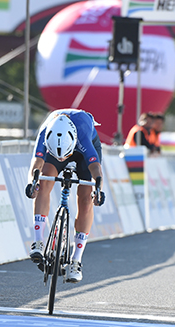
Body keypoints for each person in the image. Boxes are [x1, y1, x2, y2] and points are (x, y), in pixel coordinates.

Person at [25, 109, 105, 283]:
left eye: (65, 157)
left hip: (84, 149)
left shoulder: (83, 133)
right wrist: (32, 183)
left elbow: (95, 169)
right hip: (56, 147)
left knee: (86, 200)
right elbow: (36, 162)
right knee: (43, 183)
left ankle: (76, 260)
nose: (63, 161)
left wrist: (98, 187)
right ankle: (38, 242)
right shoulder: (46, 131)